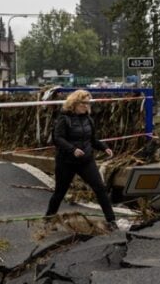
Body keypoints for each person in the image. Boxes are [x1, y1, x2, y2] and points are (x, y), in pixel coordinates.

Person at [45, 89, 119, 230]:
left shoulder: (88, 118)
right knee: (60, 192)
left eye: (88, 103)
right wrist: (72, 149)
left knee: (100, 188)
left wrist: (104, 147)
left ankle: (111, 220)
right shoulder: (63, 118)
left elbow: (91, 139)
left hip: (86, 161)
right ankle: (48, 219)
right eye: (83, 103)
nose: (86, 106)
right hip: (66, 162)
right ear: (74, 103)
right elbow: (58, 139)